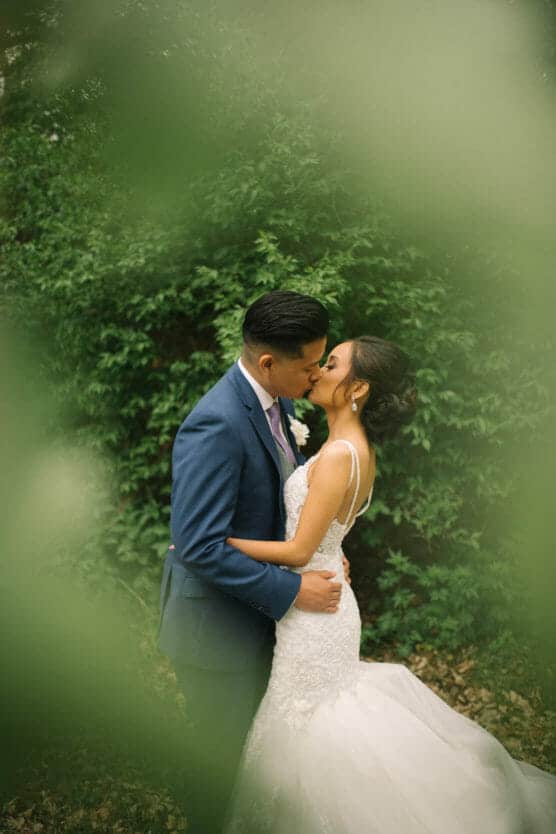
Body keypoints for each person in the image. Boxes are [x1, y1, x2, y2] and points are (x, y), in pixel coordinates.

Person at [223, 336, 556, 834]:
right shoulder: (356, 451)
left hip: (316, 614)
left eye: (330, 364)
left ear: (357, 387)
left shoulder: (340, 455)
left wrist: (218, 543)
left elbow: (296, 552)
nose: (317, 369)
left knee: (311, 728)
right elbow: (326, 535)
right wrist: (335, 555)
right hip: (324, 598)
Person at [158, 290, 351, 834]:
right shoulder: (216, 423)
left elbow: (276, 510)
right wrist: (291, 591)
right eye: (309, 364)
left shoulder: (279, 400)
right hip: (215, 631)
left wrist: (321, 553)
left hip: (253, 616)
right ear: (268, 362)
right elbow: (198, 544)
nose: (315, 375)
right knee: (219, 762)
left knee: (254, 758)